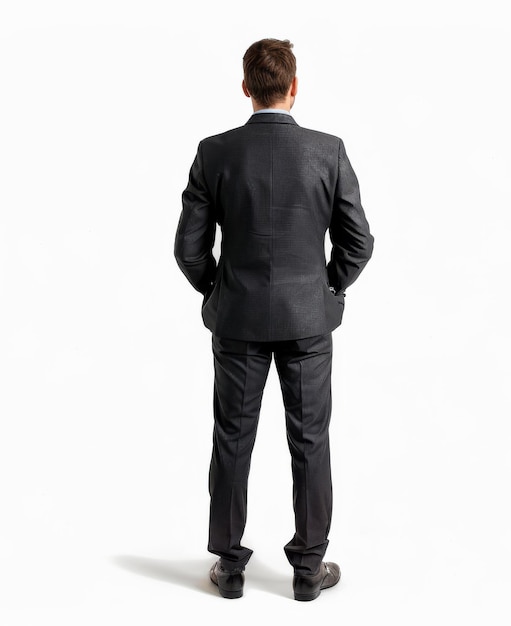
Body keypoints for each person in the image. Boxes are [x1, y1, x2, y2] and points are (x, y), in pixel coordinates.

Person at [174, 38, 373, 601]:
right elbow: (358, 243)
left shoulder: (214, 153)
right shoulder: (328, 151)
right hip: (308, 323)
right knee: (310, 441)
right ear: (293, 87)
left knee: (232, 439)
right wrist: (326, 287)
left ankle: (230, 567)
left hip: (237, 321)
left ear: (245, 88)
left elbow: (189, 248)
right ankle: (309, 570)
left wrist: (219, 289)